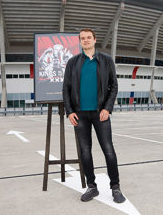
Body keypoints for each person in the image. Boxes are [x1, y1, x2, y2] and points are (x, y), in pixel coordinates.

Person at [63, 28, 126, 203]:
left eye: (88, 37)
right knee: (85, 152)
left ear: (94, 40)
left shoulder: (106, 60)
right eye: (82, 38)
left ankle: (115, 187)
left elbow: (114, 86)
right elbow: (66, 89)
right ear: (80, 41)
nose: (85, 40)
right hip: (80, 115)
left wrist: (107, 108)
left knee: (108, 150)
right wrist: (70, 112)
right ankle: (92, 187)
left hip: (101, 114)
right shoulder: (73, 62)